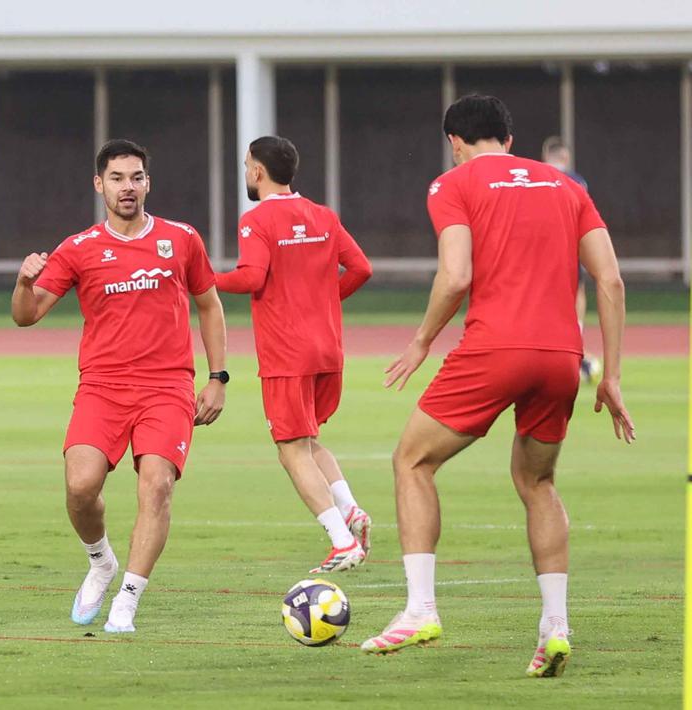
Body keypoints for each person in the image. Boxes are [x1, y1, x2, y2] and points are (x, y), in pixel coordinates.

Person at [360, 95, 635, 679]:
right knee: (538, 482)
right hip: (561, 356)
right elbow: (610, 280)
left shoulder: (452, 183)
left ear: (454, 142)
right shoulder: (565, 185)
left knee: (412, 461)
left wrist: (422, 340)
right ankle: (555, 625)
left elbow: (456, 275)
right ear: (509, 140)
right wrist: (610, 375)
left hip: (494, 349)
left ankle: (420, 610)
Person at [12, 139, 228, 633]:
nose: (127, 187)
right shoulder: (78, 248)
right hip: (103, 386)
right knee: (80, 487)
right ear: (99, 184)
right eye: (116, 178)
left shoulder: (182, 239)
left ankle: (127, 599)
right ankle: (101, 561)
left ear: (148, 183)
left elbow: (209, 305)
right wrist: (24, 283)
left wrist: (218, 377)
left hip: (167, 386)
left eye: (136, 177)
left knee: (157, 485)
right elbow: (26, 316)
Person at [214, 136, 374, 574]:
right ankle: (350, 509)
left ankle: (342, 541)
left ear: (258, 171)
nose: (246, 173)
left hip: (287, 353)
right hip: (328, 350)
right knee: (307, 441)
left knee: (290, 450)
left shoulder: (256, 220)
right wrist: (325, 301)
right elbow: (361, 268)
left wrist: (204, 280)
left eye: (247, 165)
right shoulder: (322, 215)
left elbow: (251, 277)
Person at [542, 136, 601, 385]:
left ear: (546, 156)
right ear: (565, 157)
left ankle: (561, 352)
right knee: (576, 293)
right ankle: (575, 347)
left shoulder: (534, 178)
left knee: (544, 299)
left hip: (540, 251)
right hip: (569, 248)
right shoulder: (577, 181)